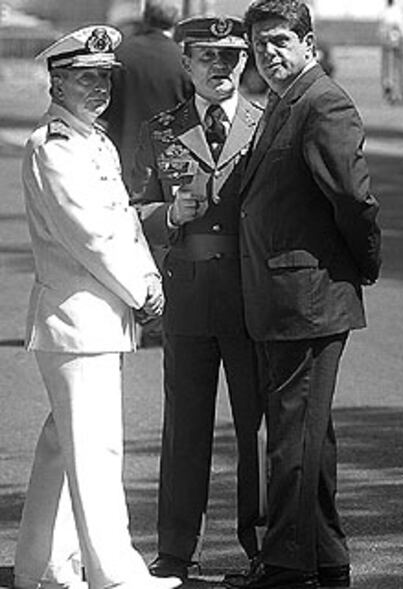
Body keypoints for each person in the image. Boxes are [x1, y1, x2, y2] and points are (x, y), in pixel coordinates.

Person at [14, 25, 181, 589]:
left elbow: (123, 222)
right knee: (96, 453)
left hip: (94, 320)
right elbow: (91, 234)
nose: (99, 88)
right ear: (56, 82)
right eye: (85, 78)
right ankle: (116, 575)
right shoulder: (53, 147)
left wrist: (146, 274)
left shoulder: (94, 141)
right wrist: (145, 286)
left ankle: (42, 567)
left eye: (104, 78)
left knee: (63, 447)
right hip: (77, 320)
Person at [225, 1, 381, 588]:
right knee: (308, 435)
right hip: (283, 300)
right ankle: (327, 558)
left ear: (309, 44)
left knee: (291, 440)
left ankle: (288, 568)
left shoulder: (323, 102)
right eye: (260, 44)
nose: (269, 52)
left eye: (281, 41)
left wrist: (362, 264)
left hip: (308, 300)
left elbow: (354, 199)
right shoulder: (282, 102)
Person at [130, 16, 266, 581]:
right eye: (207, 56)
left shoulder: (266, 124)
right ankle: (177, 549)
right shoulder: (163, 129)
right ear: (185, 64)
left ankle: (264, 547)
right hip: (188, 294)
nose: (220, 68)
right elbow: (132, 210)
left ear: (245, 63)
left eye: (231, 57)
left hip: (250, 293)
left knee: (256, 426)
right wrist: (166, 214)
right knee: (184, 427)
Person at [104, 0, 194, 186]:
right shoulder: (184, 61)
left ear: (145, 18)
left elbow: (102, 109)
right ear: (177, 21)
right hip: (170, 162)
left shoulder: (120, 55)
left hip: (123, 157)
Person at [378, 0, 403, 105]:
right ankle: (398, 92)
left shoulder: (386, 13)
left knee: (389, 69)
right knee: (398, 69)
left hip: (390, 44)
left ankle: (393, 91)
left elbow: (383, 30)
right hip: (397, 43)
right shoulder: (398, 12)